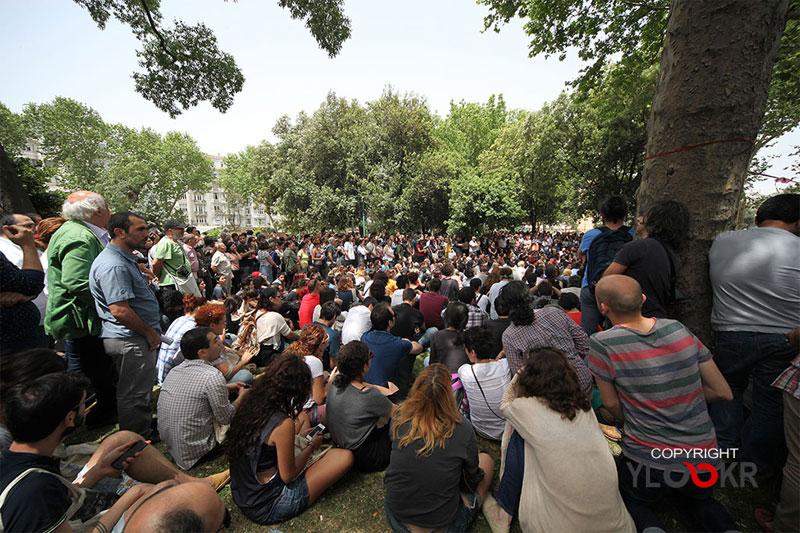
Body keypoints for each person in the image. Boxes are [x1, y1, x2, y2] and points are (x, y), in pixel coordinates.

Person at [588, 275, 737, 532]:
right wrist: (680, 400)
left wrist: (638, 413)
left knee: (632, 498)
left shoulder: (602, 343)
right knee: (701, 501)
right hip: (702, 457)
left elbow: (611, 405)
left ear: (603, 308)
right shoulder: (679, 329)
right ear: (643, 299)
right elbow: (723, 391)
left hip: (646, 459)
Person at [0, 372, 230, 532]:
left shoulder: (22, 456)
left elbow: (54, 503)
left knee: (123, 439)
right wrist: (132, 497)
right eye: (85, 404)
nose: (87, 410)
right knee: (186, 497)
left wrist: (97, 471)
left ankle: (197, 481)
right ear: (69, 419)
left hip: (69, 511)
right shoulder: (32, 491)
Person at [482, 348, 634, 533]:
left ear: (529, 377)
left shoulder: (527, 408)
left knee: (519, 435)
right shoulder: (583, 408)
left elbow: (505, 403)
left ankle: (502, 512)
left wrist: (523, 370)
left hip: (552, 527)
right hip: (619, 527)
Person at [708, 193, 800, 480]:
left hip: (730, 333)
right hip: (785, 337)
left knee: (728, 390)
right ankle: (753, 466)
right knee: (769, 401)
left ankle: (724, 453)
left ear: (758, 218)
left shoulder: (724, 241)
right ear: (797, 223)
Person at [227, 353, 354, 525]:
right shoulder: (282, 423)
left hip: (244, 492)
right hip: (270, 503)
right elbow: (288, 475)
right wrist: (311, 445)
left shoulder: (250, 403)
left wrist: (298, 438)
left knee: (301, 418)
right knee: (344, 457)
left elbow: (264, 446)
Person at [383, 364, 495, 532]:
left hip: (397, 518)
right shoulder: (462, 427)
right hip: (443, 526)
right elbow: (472, 473)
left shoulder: (399, 415)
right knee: (486, 461)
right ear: (449, 395)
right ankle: (473, 503)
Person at [44, 191, 118, 425]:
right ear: (97, 210)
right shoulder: (79, 236)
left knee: (96, 370)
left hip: (85, 319)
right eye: (107, 205)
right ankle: (86, 416)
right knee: (86, 373)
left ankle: (98, 412)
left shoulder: (82, 232)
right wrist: (111, 307)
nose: (111, 210)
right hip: (81, 320)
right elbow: (77, 282)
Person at [89, 212, 162, 438]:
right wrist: (148, 332)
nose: (146, 234)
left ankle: (142, 427)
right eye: (140, 229)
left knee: (138, 390)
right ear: (120, 232)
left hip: (133, 337)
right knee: (133, 392)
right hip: (130, 338)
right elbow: (119, 309)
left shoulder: (124, 258)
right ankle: (137, 436)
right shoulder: (113, 265)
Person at [158, 327, 249, 470]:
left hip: (175, 448)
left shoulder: (176, 370)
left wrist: (226, 387)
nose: (220, 343)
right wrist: (241, 398)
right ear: (202, 352)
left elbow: (194, 392)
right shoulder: (212, 375)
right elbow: (226, 418)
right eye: (215, 341)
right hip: (199, 450)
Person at [603, 199, 690, 318]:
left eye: (644, 216)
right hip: (658, 319)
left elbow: (605, 281)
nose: (638, 219)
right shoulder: (672, 254)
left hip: (630, 320)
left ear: (655, 220)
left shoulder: (635, 248)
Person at [501, 281, 592, 391]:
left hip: (548, 394)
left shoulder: (509, 336)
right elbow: (583, 342)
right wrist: (572, 360)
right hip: (579, 381)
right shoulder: (554, 312)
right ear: (530, 298)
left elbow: (520, 373)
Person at [325, 341, 396, 472]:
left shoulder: (337, 380)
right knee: (395, 413)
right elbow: (397, 413)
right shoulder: (368, 395)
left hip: (341, 442)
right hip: (367, 456)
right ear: (364, 366)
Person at [579, 195, 631, 335]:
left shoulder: (591, 235)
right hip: (623, 289)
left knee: (587, 333)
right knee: (621, 331)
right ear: (626, 213)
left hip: (592, 287)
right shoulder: (633, 235)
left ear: (602, 214)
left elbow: (581, 254)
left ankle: (589, 355)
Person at [0, 212, 50, 349]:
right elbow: (30, 283)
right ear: (9, 229)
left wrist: (26, 295)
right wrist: (27, 245)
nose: (34, 229)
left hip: (37, 319)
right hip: (12, 340)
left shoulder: (26, 246)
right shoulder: (5, 249)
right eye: (28, 226)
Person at [457, 326, 510, 441]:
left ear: (472, 352)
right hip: (506, 429)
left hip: (480, 429)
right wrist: (499, 357)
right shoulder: (505, 366)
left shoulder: (465, 371)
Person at [363, 304, 423, 399]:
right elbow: (418, 348)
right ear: (390, 322)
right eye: (394, 315)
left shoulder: (365, 336)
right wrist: (408, 341)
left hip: (367, 385)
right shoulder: (398, 344)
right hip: (387, 392)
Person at [194, 303, 257, 385]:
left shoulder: (208, 334)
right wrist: (243, 361)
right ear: (212, 325)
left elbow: (222, 347)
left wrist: (237, 353)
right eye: (223, 323)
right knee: (246, 376)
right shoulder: (208, 342)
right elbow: (226, 374)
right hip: (211, 379)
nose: (224, 326)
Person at [284, 324, 330, 426]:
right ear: (321, 344)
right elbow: (319, 399)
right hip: (306, 410)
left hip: (290, 408)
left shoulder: (291, 355)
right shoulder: (314, 362)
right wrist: (331, 382)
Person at [156, 293, 206, 384]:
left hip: (160, 373)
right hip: (170, 378)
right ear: (199, 309)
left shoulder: (179, 320)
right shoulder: (192, 327)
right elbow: (177, 358)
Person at [254, 286, 300, 365]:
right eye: (279, 297)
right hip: (271, 354)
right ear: (271, 299)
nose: (281, 299)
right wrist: (300, 337)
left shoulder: (258, 312)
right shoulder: (275, 316)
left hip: (260, 352)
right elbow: (290, 335)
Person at [429, 302, 470, 373]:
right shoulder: (471, 336)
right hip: (466, 377)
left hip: (444, 378)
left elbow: (432, 362)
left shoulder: (437, 335)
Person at [151, 219, 192, 292]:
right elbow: (156, 264)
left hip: (180, 281)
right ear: (170, 231)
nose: (183, 230)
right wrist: (158, 277)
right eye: (179, 229)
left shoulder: (176, 242)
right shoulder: (166, 243)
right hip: (171, 284)